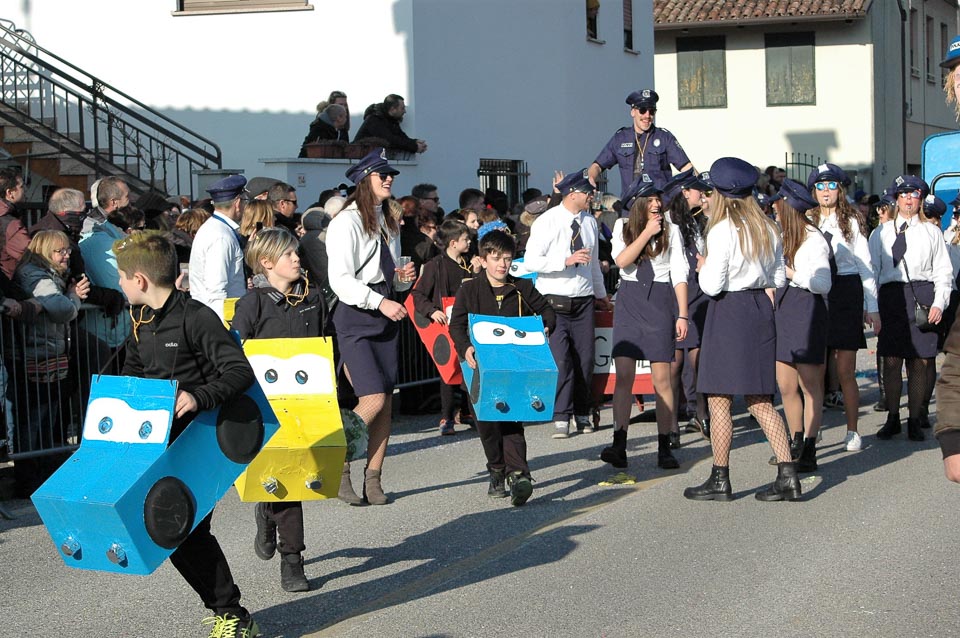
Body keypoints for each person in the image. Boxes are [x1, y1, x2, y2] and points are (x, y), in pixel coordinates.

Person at [114, 231, 260, 637]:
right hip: (160, 442)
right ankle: (228, 612)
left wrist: (198, 397)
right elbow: (134, 373)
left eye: (122, 277)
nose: (119, 284)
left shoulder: (197, 317)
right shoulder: (141, 320)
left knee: (185, 530)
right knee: (175, 534)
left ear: (140, 279)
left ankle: (233, 616)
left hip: (202, 440)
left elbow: (239, 371)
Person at [683, 157, 800, 502]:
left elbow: (712, 285)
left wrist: (703, 266)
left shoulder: (721, 230)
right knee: (760, 399)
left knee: (719, 398)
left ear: (720, 193)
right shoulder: (768, 226)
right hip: (759, 308)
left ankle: (720, 478)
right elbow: (778, 278)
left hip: (729, 311)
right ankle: (788, 474)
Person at [231, 228, 327, 593]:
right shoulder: (252, 304)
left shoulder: (313, 298)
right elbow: (235, 352)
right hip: (266, 406)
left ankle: (267, 511)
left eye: (296, 253)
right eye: (288, 255)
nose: (297, 258)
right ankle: (292, 560)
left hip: (306, 402)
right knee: (286, 480)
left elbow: (325, 344)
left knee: (296, 477)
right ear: (267, 263)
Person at [326, 148, 414, 505]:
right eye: (382, 174)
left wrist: (404, 280)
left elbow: (391, 277)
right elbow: (340, 280)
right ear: (365, 180)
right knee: (373, 398)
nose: (389, 179)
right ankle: (338, 461)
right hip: (356, 315)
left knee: (386, 401)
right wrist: (381, 301)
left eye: (391, 174)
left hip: (384, 310)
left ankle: (373, 478)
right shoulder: (345, 223)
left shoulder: (388, 219)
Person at [449, 229, 555, 506]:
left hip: (514, 368)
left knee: (512, 421)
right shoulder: (469, 289)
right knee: (487, 426)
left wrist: (544, 328)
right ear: (483, 260)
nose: (502, 264)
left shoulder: (522, 288)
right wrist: (465, 347)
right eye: (496, 258)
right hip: (479, 370)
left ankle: (519, 475)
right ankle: (496, 470)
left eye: (507, 258)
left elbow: (547, 312)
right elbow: (456, 325)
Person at [600, 175, 688, 470]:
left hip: (660, 300)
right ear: (638, 203)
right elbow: (622, 261)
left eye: (657, 199)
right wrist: (646, 232)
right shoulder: (622, 227)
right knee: (624, 376)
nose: (656, 204)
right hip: (630, 299)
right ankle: (619, 443)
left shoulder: (672, 229)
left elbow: (679, 273)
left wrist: (683, 313)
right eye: (649, 200)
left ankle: (665, 444)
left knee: (662, 378)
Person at [523, 170, 612, 439]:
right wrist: (565, 260)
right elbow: (531, 261)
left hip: (583, 300)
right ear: (572, 194)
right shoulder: (547, 221)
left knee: (585, 359)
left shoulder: (590, 222)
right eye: (587, 192)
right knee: (561, 359)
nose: (591, 196)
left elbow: (593, 264)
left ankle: (582, 412)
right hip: (554, 301)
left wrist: (601, 294)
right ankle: (561, 414)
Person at [869, 175, 953, 441]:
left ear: (920, 199)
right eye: (903, 194)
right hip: (891, 296)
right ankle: (893, 417)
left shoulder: (932, 232)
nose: (908, 199)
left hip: (922, 295)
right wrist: (871, 308)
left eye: (913, 194)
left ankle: (915, 419)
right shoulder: (881, 233)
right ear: (896, 199)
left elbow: (943, 271)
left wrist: (939, 303)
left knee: (920, 361)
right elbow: (871, 272)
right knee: (891, 360)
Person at [807, 163, 880, 452]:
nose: (826, 191)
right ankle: (814, 429)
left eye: (831, 186)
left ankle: (852, 430)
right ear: (814, 191)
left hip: (846, 290)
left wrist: (872, 307)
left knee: (846, 369)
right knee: (816, 369)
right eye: (820, 186)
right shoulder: (807, 218)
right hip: (817, 291)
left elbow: (865, 266)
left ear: (839, 189)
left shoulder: (851, 221)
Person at [12, 230, 89, 491]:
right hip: (35, 355)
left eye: (67, 250)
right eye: (59, 251)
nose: (66, 255)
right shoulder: (34, 275)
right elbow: (62, 309)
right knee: (35, 419)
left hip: (48, 354)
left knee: (47, 418)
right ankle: (29, 479)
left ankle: (42, 473)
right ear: (45, 252)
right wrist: (74, 296)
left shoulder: (50, 274)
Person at [772, 179, 833, 472]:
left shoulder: (814, 239)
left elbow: (823, 283)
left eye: (778, 203)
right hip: (783, 310)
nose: (774, 207)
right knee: (786, 385)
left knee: (810, 386)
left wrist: (791, 273)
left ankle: (809, 446)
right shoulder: (781, 235)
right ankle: (795, 441)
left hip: (806, 309)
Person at [411, 219, 478, 435]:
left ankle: (468, 412)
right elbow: (418, 293)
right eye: (465, 239)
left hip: (468, 321)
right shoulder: (435, 265)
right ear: (453, 243)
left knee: (470, 365)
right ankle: (447, 416)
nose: (469, 242)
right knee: (448, 370)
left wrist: (477, 271)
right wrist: (431, 311)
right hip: (445, 322)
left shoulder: (470, 262)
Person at [662, 169, 712, 439]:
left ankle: (701, 413)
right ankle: (671, 423)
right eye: (697, 190)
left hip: (698, 290)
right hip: (674, 291)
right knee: (675, 361)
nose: (701, 195)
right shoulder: (668, 221)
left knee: (699, 357)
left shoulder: (694, 221)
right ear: (684, 192)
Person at [588, 89, 693, 194]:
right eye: (642, 110)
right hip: (631, 202)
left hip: (658, 201)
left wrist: (699, 189)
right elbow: (598, 165)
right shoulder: (620, 138)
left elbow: (687, 168)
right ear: (633, 112)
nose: (647, 115)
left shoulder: (664, 137)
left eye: (651, 111)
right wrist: (591, 178)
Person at [189, 175, 249, 321]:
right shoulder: (221, 236)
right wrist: (225, 327)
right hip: (221, 319)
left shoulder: (215, 228)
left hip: (212, 316)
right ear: (237, 203)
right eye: (245, 201)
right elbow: (216, 292)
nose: (245, 206)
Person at [353, 94, 427, 155]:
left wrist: (414, 142)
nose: (405, 111)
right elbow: (390, 140)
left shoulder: (391, 120)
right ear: (393, 109)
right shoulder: (374, 120)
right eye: (402, 108)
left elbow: (401, 137)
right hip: (361, 159)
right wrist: (414, 147)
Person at [0, 168, 30, 282]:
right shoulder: (10, 223)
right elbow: (30, 254)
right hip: (8, 283)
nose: (24, 190)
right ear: (10, 193)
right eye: (21, 187)